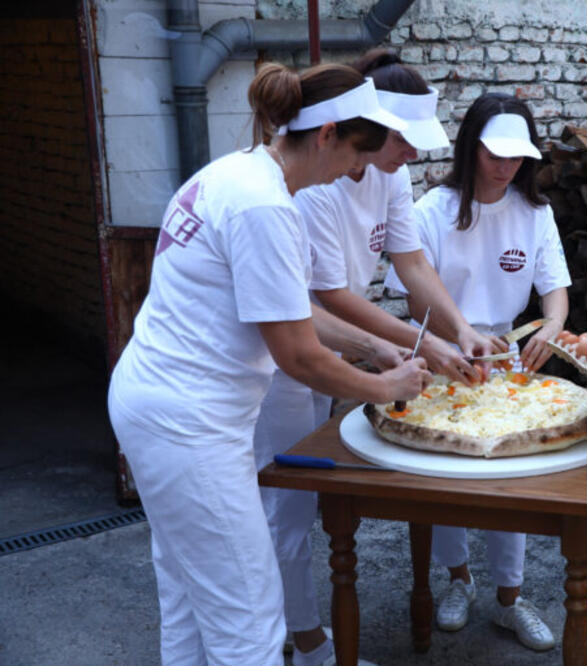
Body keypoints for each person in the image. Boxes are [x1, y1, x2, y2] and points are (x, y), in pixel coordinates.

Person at [107, 63, 432, 665]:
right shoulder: (264, 207)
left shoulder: (239, 174)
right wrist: (383, 386)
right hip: (189, 424)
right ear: (328, 133)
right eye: (357, 154)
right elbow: (299, 355)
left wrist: (372, 346)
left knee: (187, 591)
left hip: (158, 405)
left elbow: (283, 315)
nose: (358, 171)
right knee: (250, 618)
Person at [252, 51, 498, 666]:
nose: (413, 156)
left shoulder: (388, 173)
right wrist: (420, 345)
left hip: (327, 341)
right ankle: (305, 641)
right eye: (403, 142)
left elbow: (412, 264)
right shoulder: (315, 183)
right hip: (288, 348)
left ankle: (287, 628)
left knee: (304, 497)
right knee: (286, 502)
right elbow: (330, 296)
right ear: (365, 128)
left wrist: (458, 329)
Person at [384, 92, 570, 652]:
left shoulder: (535, 212)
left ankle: (510, 596)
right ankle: (457, 579)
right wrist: (459, 335)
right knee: (447, 477)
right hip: (445, 355)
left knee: (507, 483)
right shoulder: (430, 211)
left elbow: (554, 291)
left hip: (507, 359)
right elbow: (416, 302)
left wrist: (552, 328)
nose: (505, 167)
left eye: (516, 157)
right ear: (471, 149)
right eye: (495, 155)